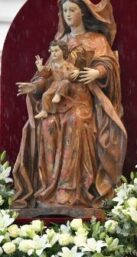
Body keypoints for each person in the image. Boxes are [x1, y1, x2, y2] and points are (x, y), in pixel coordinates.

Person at [13, 0, 126, 209]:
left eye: (72, 9)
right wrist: (34, 87)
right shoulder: (61, 41)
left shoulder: (97, 39)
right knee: (46, 126)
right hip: (58, 102)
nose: (67, 14)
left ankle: (72, 190)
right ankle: (50, 191)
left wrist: (96, 72)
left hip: (82, 101)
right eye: (64, 10)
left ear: (82, 13)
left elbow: (108, 64)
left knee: (75, 124)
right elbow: (48, 73)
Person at [34, 40, 80, 120]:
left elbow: (74, 69)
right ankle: (44, 111)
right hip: (54, 85)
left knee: (65, 82)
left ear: (63, 51)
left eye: (56, 50)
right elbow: (46, 74)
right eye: (52, 51)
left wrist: (77, 71)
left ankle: (58, 95)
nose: (53, 53)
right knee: (45, 95)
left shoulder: (66, 64)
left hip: (64, 83)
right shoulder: (52, 65)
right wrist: (40, 68)